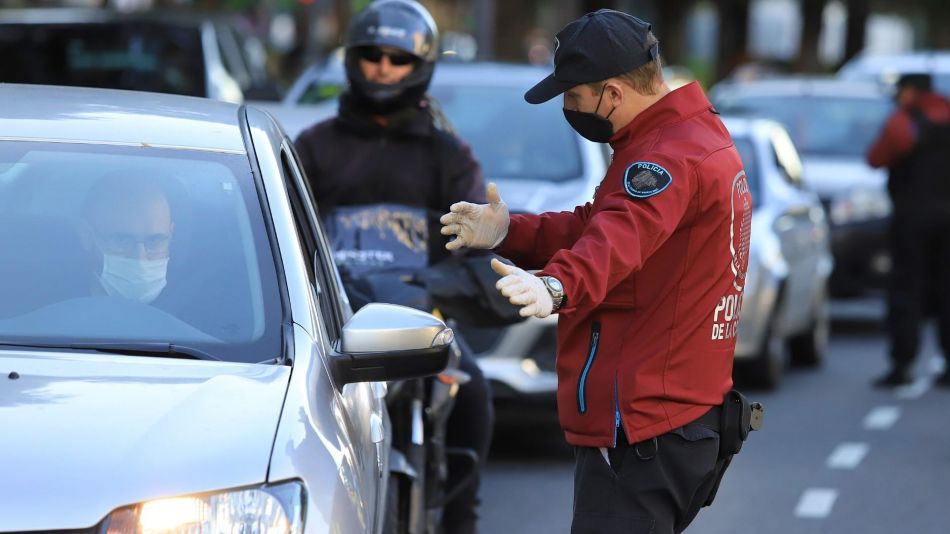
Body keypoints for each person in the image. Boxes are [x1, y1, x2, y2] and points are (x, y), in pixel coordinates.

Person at [440, 10, 752, 534]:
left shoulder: (667, 158)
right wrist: (507, 232)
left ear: (611, 93)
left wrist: (556, 286)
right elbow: (598, 223)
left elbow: (617, 239)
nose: (566, 106)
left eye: (572, 95)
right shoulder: (686, 136)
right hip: (674, 419)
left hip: (645, 427)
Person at [293, 1, 493, 532]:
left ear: (421, 65)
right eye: (373, 55)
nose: (384, 68)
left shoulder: (449, 155)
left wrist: (442, 284)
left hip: (422, 318)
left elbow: (476, 243)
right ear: (354, 59)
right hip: (332, 322)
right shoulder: (312, 148)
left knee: (473, 393)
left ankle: (458, 522)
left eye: (398, 58)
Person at [867, 73, 950, 388]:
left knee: (907, 291)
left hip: (912, 219)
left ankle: (902, 366)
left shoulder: (904, 121)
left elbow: (876, 158)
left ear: (910, 92)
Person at [80, 174, 174, 304]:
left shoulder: (199, 315)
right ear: (87, 235)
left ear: (171, 235)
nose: (140, 259)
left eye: (154, 241)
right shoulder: (52, 307)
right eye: (121, 240)